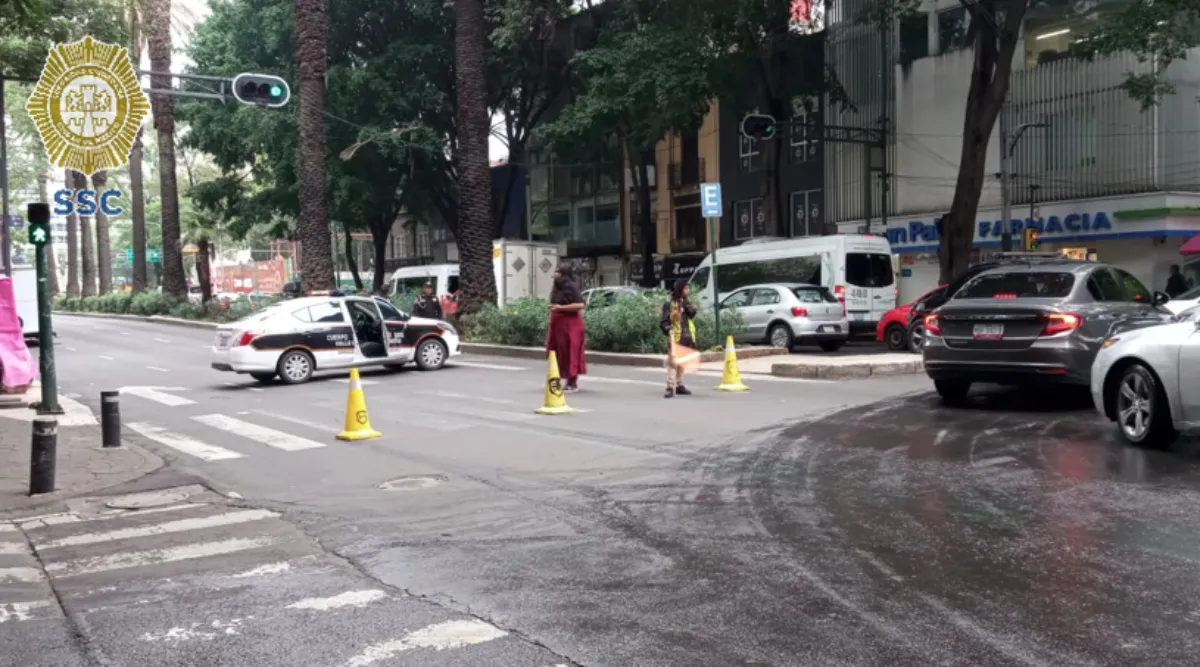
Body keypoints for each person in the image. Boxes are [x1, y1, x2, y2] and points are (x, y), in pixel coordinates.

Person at [546, 266, 586, 392]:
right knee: (556, 351)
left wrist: (560, 308)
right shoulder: (556, 287)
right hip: (557, 324)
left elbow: (580, 305)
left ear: (563, 274)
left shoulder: (571, 286)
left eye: (557, 272)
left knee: (571, 351)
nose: (555, 275)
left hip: (571, 324)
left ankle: (572, 382)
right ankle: (557, 379)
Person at [660, 278, 697, 398]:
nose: (688, 290)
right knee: (673, 363)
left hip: (687, 336)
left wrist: (685, 304)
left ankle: (680, 384)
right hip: (675, 337)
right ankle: (670, 386)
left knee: (683, 362)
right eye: (686, 288)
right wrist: (668, 329)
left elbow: (692, 314)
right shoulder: (669, 303)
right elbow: (664, 321)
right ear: (680, 289)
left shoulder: (687, 302)